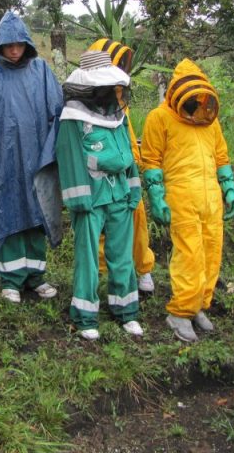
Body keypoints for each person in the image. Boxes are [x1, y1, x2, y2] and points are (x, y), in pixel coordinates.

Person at [140, 58, 234, 343]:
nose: (198, 105)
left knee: (211, 252)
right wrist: (157, 197)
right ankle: (180, 312)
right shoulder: (159, 118)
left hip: (211, 198)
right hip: (181, 196)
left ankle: (199, 305)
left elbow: (221, 156)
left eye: (201, 99)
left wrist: (229, 188)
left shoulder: (211, 121)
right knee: (189, 254)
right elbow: (151, 160)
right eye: (193, 100)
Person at [0, 11, 63, 303]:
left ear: (27, 43)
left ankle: (36, 276)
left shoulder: (41, 71)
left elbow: (57, 111)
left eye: (19, 44)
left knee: (36, 214)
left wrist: (51, 153)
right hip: (0, 158)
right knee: (6, 213)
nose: (14, 50)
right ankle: (10, 279)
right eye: (8, 45)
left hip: (36, 156)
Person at [56, 50, 144, 340]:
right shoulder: (72, 116)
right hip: (91, 198)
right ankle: (85, 317)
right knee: (88, 258)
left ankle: (126, 311)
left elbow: (128, 155)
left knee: (122, 256)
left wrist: (134, 190)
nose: (112, 92)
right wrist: (78, 200)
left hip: (118, 194)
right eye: (106, 86)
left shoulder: (118, 115)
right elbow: (68, 157)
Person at [88, 39, 156, 292]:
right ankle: (104, 272)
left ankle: (142, 269)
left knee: (136, 219)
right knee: (103, 224)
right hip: (100, 173)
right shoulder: (87, 100)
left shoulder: (121, 100)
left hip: (128, 172)